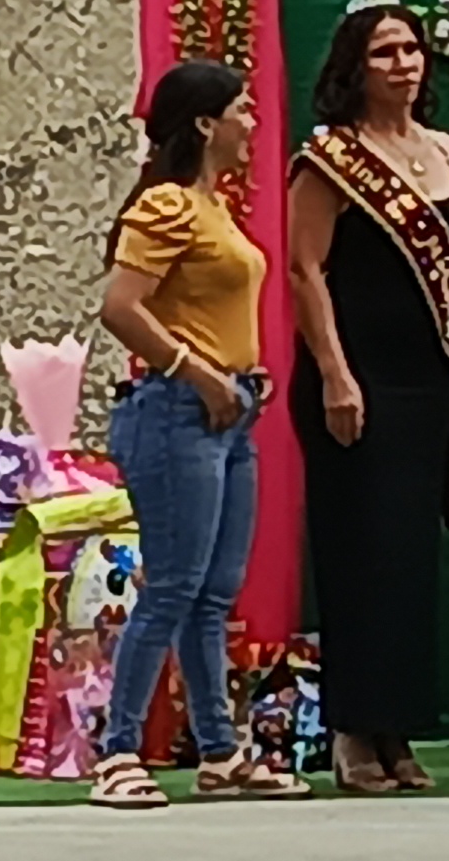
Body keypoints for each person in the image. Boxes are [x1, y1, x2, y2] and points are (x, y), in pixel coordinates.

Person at [287, 0, 449, 796]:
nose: (402, 64)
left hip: (424, 375)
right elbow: (305, 270)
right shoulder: (330, 157)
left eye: (410, 49)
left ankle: (397, 730)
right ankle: (352, 731)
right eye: (384, 52)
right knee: (358, 554)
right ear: (355, 68)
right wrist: (335, 373)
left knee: (406, 560)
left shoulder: (446, 152)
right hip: (354, 376)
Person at [86, 61, 308, 809]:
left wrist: (238, 380)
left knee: (213, 593)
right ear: (206, 124)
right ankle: (118, 752)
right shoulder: (166, 206)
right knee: (173, 586)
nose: (253, 123)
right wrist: (198, 372)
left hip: (229, 411)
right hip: (179, 410)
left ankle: (219, 748)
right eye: (242, 110)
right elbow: (121, 306)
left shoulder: (215, 207)